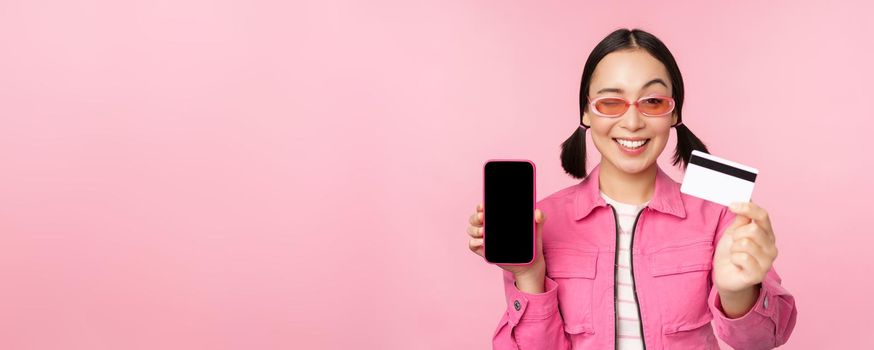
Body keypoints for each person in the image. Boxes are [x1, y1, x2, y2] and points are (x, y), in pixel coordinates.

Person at [466, 28, 797, 349]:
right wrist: (529, 275)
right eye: (611, 102)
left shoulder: (719, 212)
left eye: (652, 101)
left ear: (674, 112)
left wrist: (738, 293)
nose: (633, 121)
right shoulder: (540, 221)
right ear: (586, 111)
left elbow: (764, 341)